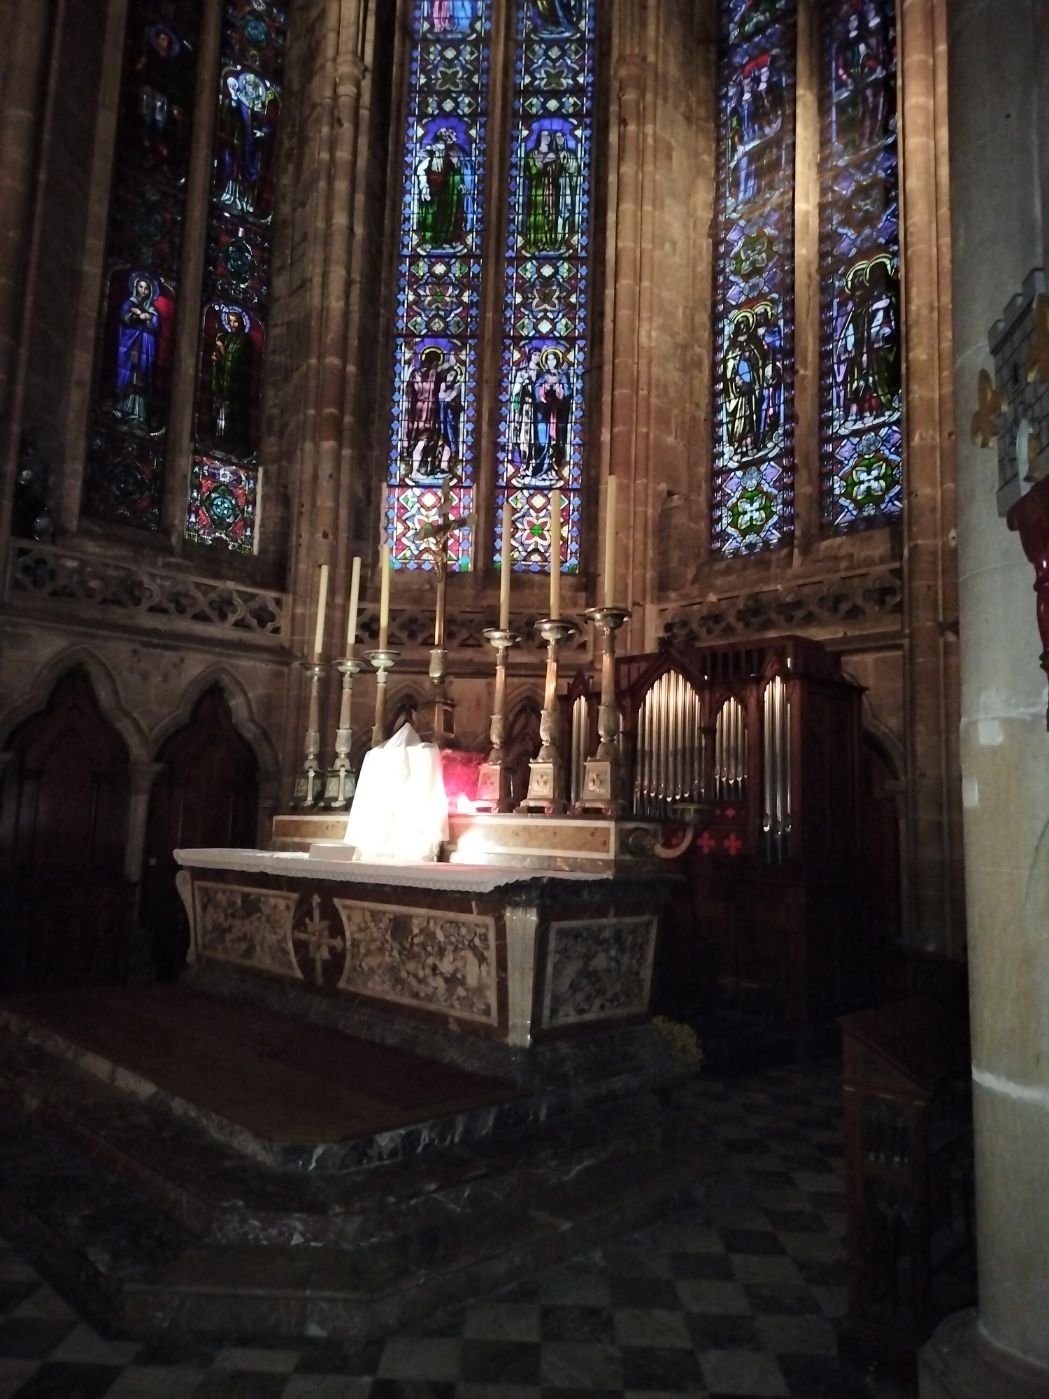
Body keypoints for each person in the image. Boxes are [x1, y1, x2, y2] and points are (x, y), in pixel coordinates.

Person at [114, 273, 161, 427]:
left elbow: (155, 324)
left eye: (146, 288)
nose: (143, 291)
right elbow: (124, 318)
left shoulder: (152, 309)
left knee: (140, 374)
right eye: (141, 287)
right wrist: (137, 316)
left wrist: (147, 317)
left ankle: (139, 412)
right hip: (130, 343)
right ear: (135, 288)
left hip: (145, 345)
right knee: (129, 371)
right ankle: (122, 406)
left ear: (150, 292)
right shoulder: (129, 304)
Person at [415, 128, 471, 250]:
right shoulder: (428, 154)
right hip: (431, 191)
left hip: (447, 192)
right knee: (430, 216)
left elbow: (456, 173)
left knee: (448, 215)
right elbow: (421, 171)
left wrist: (460, 183)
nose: (442, 146)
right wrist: (424, 187)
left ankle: (448, 240)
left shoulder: (451, 155)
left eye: (444, 144)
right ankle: (428, 242)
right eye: (440, 143)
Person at [211, 306, 253, 453]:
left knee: (234, 414)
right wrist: (217, 359)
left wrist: (223, 351)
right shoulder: (228, 338)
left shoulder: (244, 341)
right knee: (222, 411)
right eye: (230, 321)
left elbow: (237, 361)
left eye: (235, 322)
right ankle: (221, 439)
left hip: (237, 386)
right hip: (224, 384)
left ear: (241, 323)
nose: (232, 325)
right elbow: (224, 360)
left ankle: (234, 442)